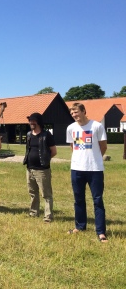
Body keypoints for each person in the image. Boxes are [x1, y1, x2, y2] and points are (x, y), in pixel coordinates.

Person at [66, 102, 108, 243]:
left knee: (98, 200)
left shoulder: (96, 126)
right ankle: (80, 226)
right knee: (78, 199)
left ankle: (101, 232)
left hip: (95, 169)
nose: (74, 115)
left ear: (84, 111)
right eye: (72, 113)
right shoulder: (71, 128)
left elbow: (103, 146)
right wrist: (80, 160)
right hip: (77, 169)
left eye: (76, 112)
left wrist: (94, 158)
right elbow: (73, 147)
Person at [23, 113, 57, 223]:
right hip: (29, 169)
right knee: (32, 193)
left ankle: (48, 216)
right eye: (30, 120)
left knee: (46, 194)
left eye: (33, 120)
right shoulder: (29, 134)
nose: (31, 123)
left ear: (39, 122)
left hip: (42, 170)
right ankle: (33, 212)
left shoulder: (46, 135)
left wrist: (45, 160)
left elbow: (54, 151)